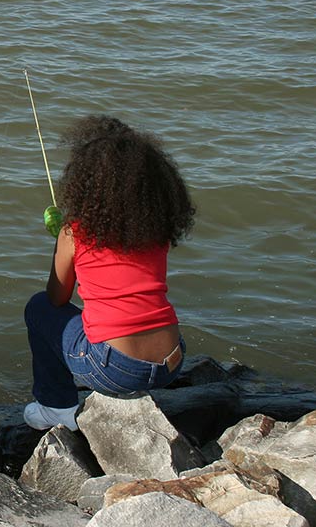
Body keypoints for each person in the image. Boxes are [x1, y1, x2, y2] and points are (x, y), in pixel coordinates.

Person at [23, 115, 195, 431]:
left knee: (38, 308)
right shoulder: (156, 231)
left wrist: (62, 241)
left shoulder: (75, 232)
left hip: (116, 368)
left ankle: (57, 407)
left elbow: (57, 298)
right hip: (172, 360)